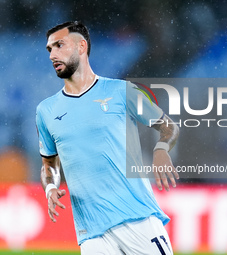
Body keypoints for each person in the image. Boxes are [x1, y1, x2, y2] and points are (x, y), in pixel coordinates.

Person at [36, 21, 179, 255]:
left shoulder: (122, 91)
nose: (52, 54)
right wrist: (51, 186)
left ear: (81, 47)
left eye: (59, 45)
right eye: (49, 49)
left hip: (137, 218)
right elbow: (49, 164)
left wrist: (161, 149)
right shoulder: (46, 111)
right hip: (91, 233)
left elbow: (168, 127)